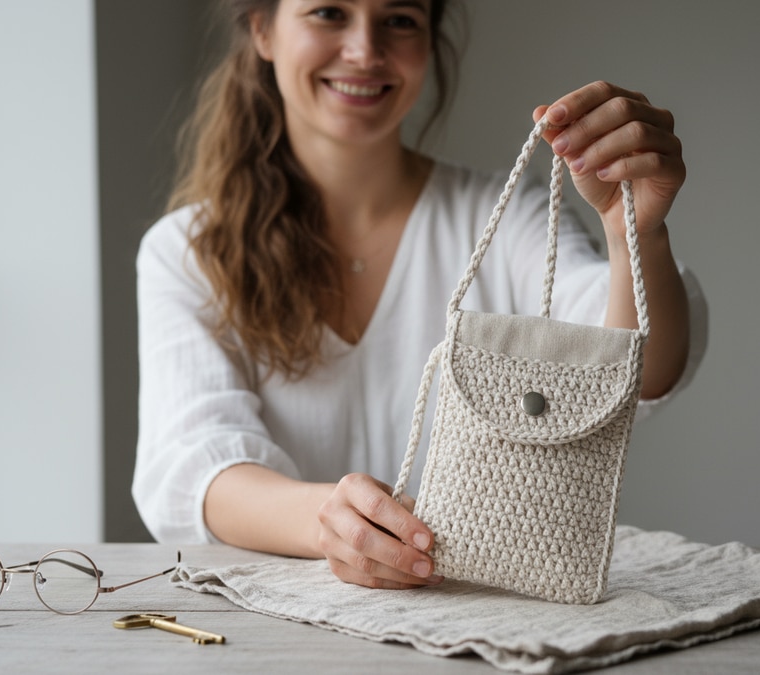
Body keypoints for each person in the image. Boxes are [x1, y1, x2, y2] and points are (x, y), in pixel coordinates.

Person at [133, 0, 704, 591]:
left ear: (430, 41)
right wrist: (329, 524)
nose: (364, 50)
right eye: (329, 12)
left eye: (399, 19)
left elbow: (633, 366)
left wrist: (633, 234)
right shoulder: (184, 250)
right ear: (262, 29)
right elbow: (193, 465)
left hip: (476, 625)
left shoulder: (501, 219)